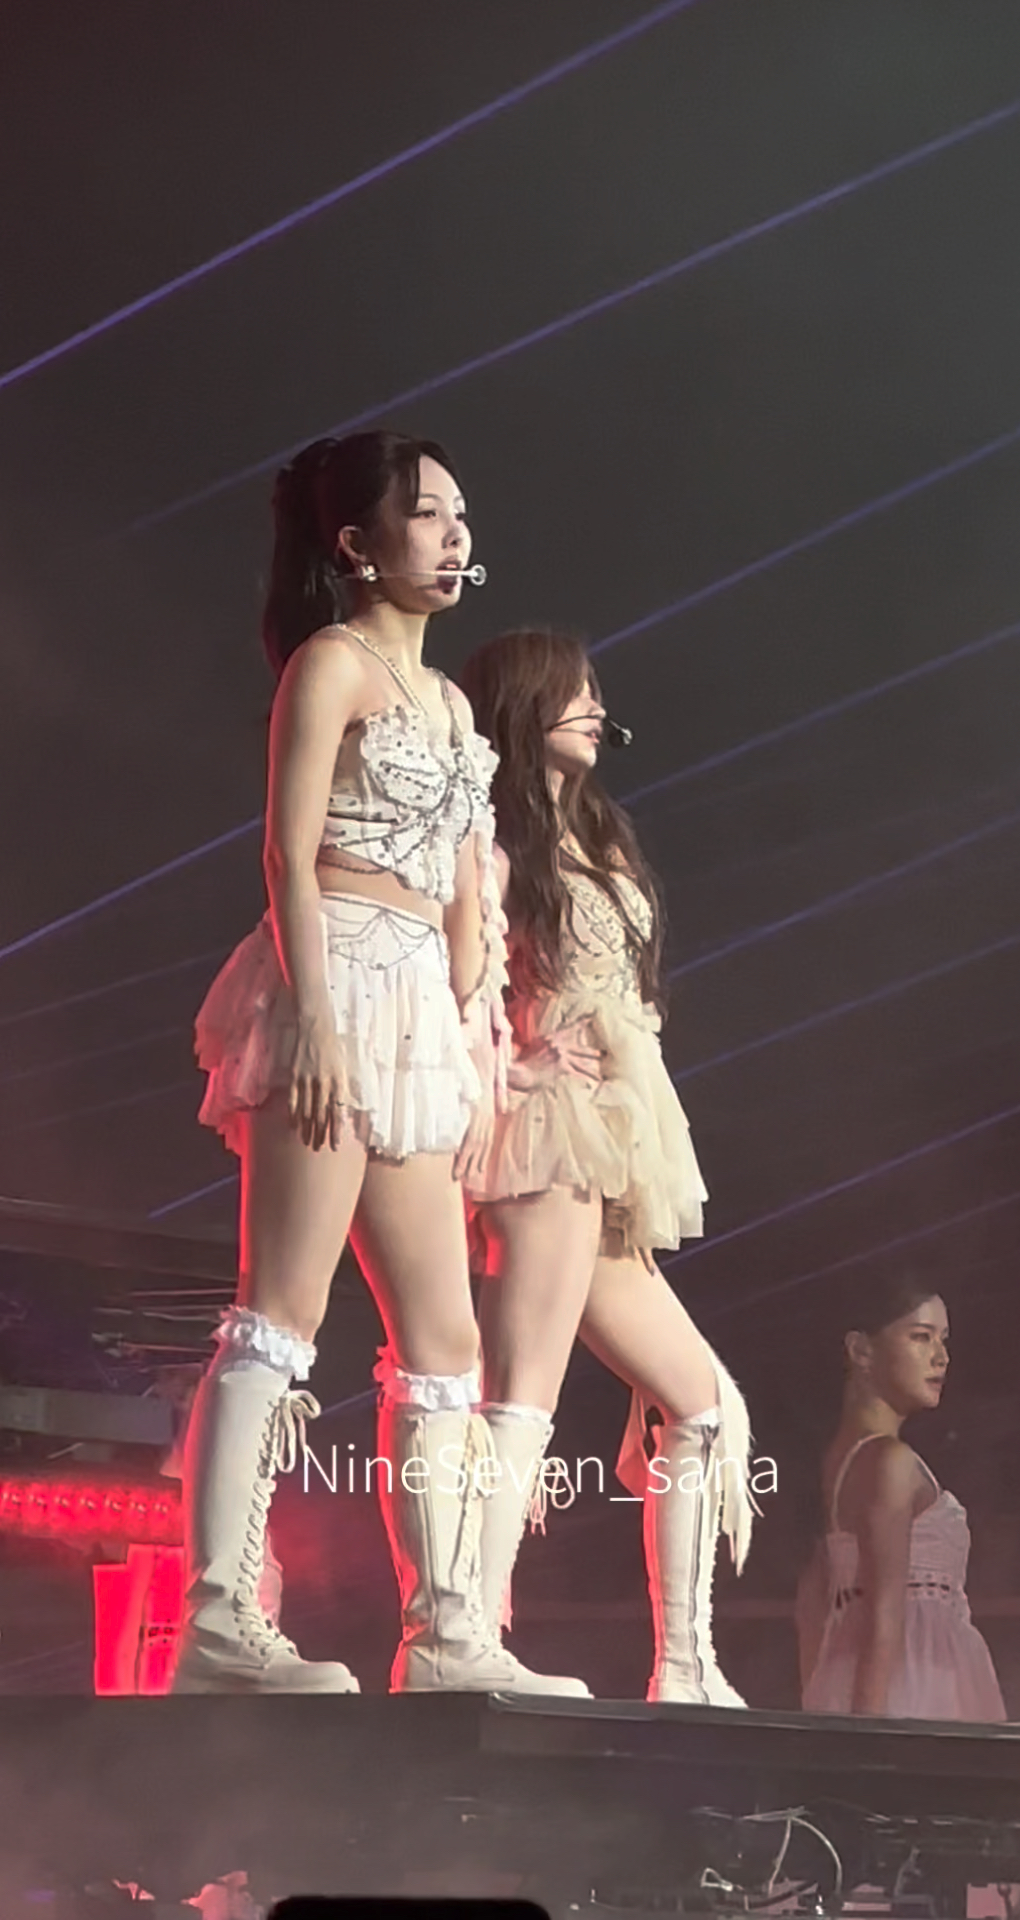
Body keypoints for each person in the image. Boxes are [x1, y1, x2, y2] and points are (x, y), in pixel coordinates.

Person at [173, 432, 586, 1697]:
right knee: (281, 1311)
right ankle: (219, 1618)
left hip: (417, 1009)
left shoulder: (450, 704)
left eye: (461, 515)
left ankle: (450, 1634)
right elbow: (287, 854)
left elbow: (467, 889)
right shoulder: (332, 666)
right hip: (336, 973)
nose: (454, 537)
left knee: (445, 1338)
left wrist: (471, 1018)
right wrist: (313, 1018)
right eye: (426, 516)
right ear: (357, 544)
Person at [459, 628, 756, 1707]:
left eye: (595, 692)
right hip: (545, 1131)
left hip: (615, 1140)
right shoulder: (490, 841)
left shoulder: (599, 834)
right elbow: (462, 986)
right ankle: (462, 1633)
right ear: (523, 704)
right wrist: (521, 1060)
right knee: (520, 1398)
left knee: (701, 1401)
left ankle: (685, 1663)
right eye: (572, 692)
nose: (593, 707)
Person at [799, 1272, 1006, 1720]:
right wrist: (873, 1743)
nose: (941, 1357)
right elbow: (883, 1614)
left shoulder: (840, 1460)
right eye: (920, 1336)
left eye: (943, 1339)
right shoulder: (888, 1462)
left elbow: (812, 1607)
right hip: (913, 1689)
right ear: (861, 1350)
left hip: (868, 1681)